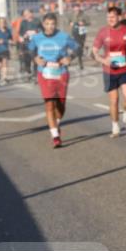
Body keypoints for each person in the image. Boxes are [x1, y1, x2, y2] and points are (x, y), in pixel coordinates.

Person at [28, 13, 77, 149]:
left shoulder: (63, 37)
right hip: (44, 74)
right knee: (49, 104)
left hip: (61, 73)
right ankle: (55, 136)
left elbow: (77, 47)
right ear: (43, 24)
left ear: (56, 24)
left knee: (61, 106)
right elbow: (30, 50)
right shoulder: (37, 38)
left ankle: (56, 122)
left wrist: (69, 58)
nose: (50, 27)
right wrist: (36, 58)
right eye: (47, 24)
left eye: (52, 24)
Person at [92, 6, 126, 137]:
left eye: (113, 17)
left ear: (119, 17)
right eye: (108, 17)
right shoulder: (103, 32)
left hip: (125, 69)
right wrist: (103, 60)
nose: (110, 19)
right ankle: (115, 127)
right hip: (109, 71)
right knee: (114, 100)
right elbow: (95, 51)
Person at [15, 9, 42, 81]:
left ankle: (36, 75)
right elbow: (20, 33)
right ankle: (28, 72)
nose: (26, 16)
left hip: (36, 43)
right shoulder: (23, 23)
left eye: (27, 14)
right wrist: (23, 37)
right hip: (26, 43)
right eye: (24, 15)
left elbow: (41, 30)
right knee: (27, 60)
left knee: (35, 59)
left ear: (31, 13)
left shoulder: (37, 21)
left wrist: (35, 32)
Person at [69, 6, 90, 72]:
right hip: (75, 33)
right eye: (75, 10)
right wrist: (70, 23)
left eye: (77, 10)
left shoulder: (84, 15)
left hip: (82, 33)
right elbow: (69, 22)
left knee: (80, 48)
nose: (76, 11)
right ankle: (79, 63)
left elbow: (89, 23)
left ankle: (70, 59)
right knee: (78, 48)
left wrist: (84, 23)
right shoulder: (71, 15)